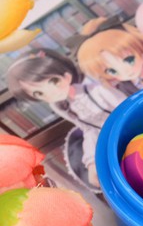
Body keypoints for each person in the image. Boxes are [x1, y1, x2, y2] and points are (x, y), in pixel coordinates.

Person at [6, 49, 126, 189]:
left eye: (54, 81)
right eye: (38, 93)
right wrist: (91, 161)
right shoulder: (60, 105)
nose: (51, 93)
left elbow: (127, 108)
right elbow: (89, 129)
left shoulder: (96, 89)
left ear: (66, 75)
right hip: (110, 141)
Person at [76, 17, 143, 95]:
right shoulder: (125, 87)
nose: (125, 71)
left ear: (141, 51)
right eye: (112, 71)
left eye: (129, 60)